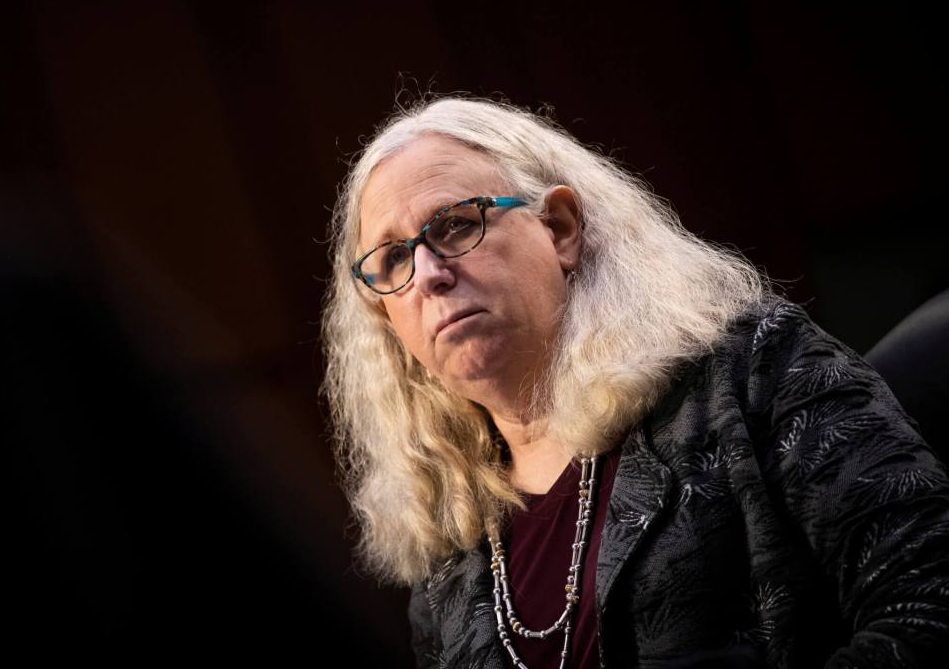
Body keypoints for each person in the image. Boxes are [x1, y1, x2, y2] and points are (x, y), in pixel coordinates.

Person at [320, 97, 949, 668]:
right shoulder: (447, 557)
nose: (427, 273)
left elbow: (928, 608)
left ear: (561, 229)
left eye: (456, 224)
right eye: (394, 258)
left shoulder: (751, 369)